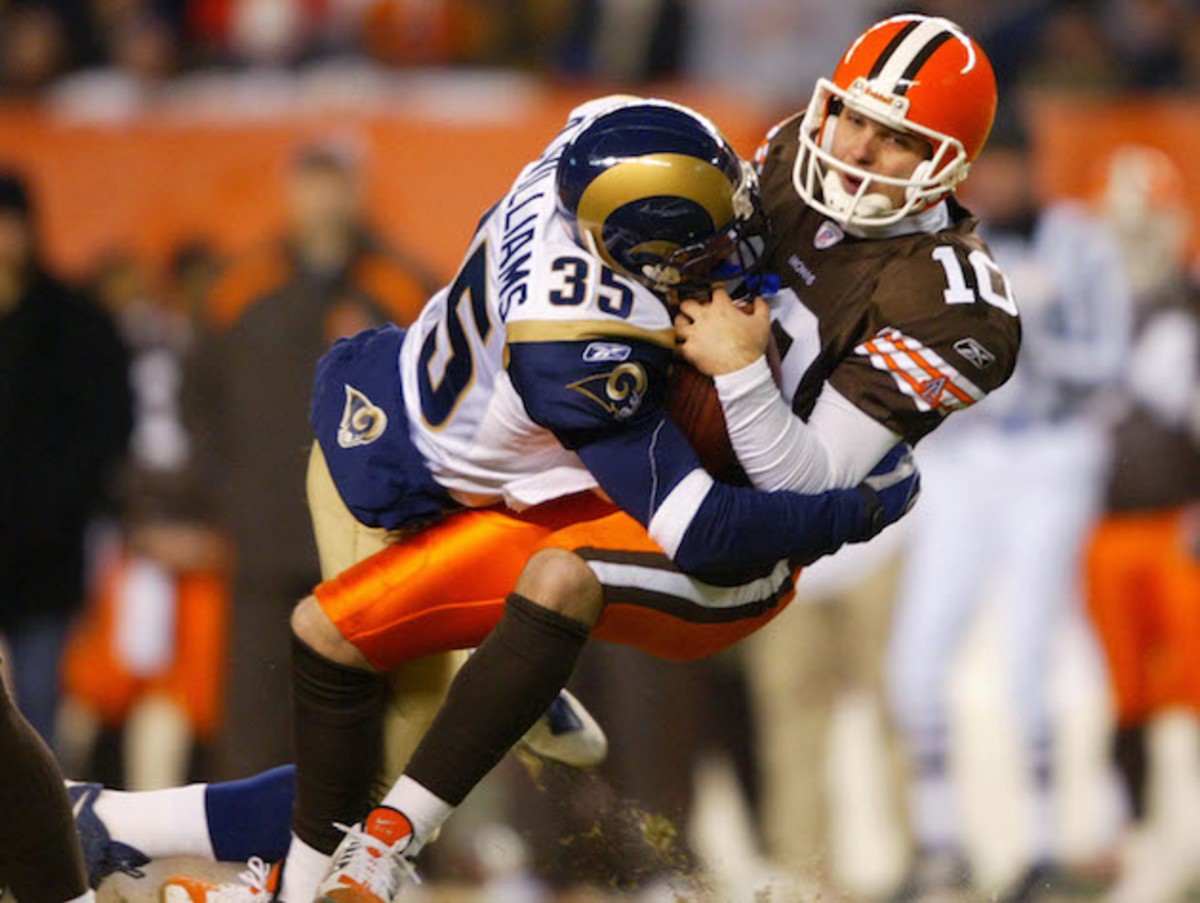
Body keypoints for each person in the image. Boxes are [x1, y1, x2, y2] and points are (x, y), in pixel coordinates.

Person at [153, 92, 921, 903]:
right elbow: (704, 530)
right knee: (382, 740)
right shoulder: (575, 341)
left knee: (417, 699)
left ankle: (496, 689)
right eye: (706, 238)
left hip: (459, 447)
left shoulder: (594, 137)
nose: (732, 237)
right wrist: (856, 508)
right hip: (398, 494)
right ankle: (259, 875)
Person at [885, 121, 1133, 901]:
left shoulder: (1078, 243)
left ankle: (1044, 846)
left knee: (1029, 654)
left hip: (1049, 453)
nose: (993, 182)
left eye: (1006, 164)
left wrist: (1032, 333)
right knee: (915, 657)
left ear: (1032, 164)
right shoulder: (943, 247)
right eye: (978, 169)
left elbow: (1109, 365)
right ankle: (940, 842)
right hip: (964, 455)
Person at [184, 136, 441, 778]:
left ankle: (380, 853)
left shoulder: (403, 286)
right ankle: (247, 854)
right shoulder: (239, 285)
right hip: (266, 536)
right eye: (313, 181)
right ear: (291, 190)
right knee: (257, 706)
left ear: (358, 191)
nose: (324, 197)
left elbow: (442, 402)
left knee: (379, 706)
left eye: (337, 181)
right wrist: (226, 497)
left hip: (372, 542)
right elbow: (197, 401)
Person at [0, 168, 130, 902]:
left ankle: (41, 873)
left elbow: (103, 430)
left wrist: (55, 507)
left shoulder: (72, 321)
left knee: (35, 721)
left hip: (42, 558)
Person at [1082, 145, 1200, 903]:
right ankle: (1135, 841)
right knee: (1120, 692)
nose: (1136, 238)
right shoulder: (1078, 306)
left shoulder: (1187, 305)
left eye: (1146, 220)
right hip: (1102, 523)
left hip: (1179, 522)